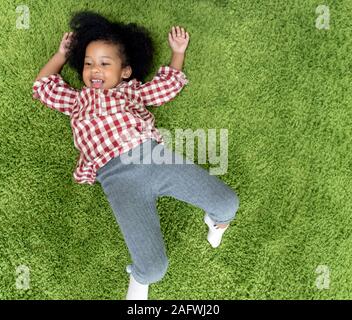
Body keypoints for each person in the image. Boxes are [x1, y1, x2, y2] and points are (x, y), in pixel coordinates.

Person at [32, 11, 239, 300]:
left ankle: (215, 223)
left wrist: (177, 52)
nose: (95, 70)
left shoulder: (131, 92)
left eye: (105, 64)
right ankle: (139, 282)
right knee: (154, 269)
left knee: (228, 203)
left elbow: (167, 87)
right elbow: (42, 87)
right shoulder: (77, 100)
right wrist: (60, 56)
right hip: (117, 179)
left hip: (154, 158)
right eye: (89, 64)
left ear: (125, 72)